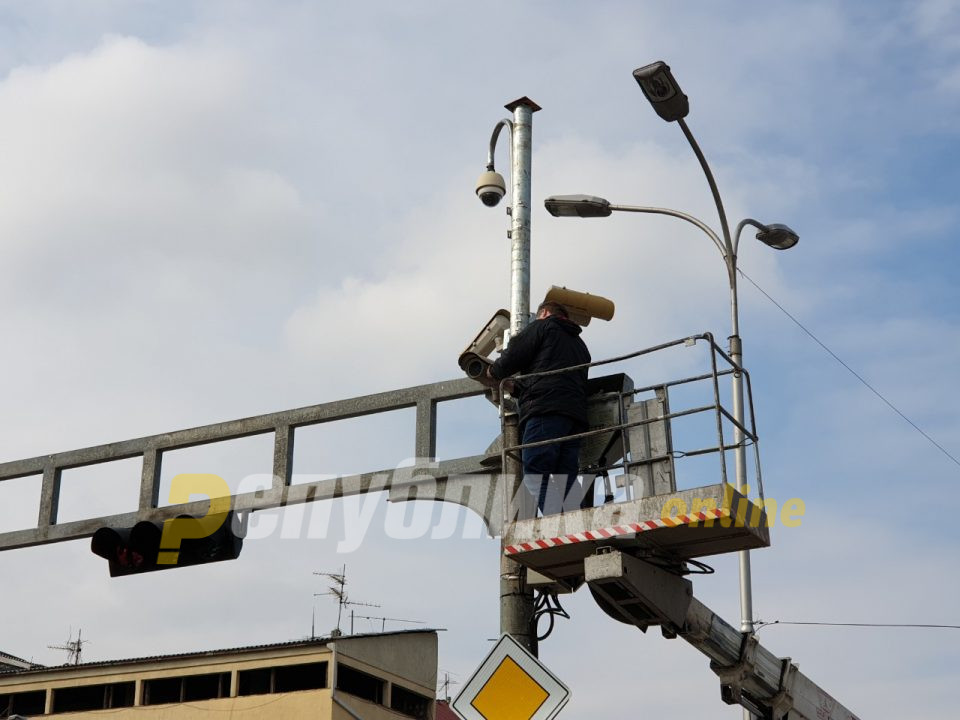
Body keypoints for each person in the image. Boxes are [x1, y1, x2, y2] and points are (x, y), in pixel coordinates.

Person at [488, 301, 591, 515]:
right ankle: (579, 523)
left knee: (536, 473)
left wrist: (494, 371)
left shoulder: (543, 326)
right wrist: (518, 388)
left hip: (544, 410)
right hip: (574, 417)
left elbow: (513, 355)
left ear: (544, 312)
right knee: (566, 478)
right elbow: (552, 375)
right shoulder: (580, 346)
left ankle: (557, 524)